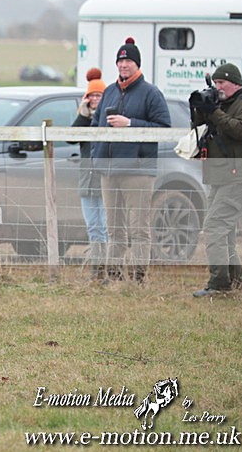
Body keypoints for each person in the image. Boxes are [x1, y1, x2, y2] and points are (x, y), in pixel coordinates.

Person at [91, 37, 171, 283]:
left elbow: (164, 128)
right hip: (108, 170)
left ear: (137, 64)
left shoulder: (151, 93)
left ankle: (138, 277)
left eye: (128, 60)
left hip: (138, 171)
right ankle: (114, 276)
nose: (124, 65)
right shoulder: (109, 91)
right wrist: (97, 153)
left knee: (138, 229)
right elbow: (95, 125)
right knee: (114, 229)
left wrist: (130, 124)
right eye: (121, 60)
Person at [190, 63, 242, 297]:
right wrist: (200, 109)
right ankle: (237, 285)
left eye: (221, 84)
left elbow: (239, 130)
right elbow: (198, 126)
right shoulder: (221, 104)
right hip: (220, 176)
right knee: (224, 231)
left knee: (215, 226)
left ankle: (219, 284)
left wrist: (214, 112)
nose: (218, 88)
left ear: (235, 83)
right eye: (215, 83)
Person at [72, 68, 107, 281]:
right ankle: (96, 266)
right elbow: (71, 137)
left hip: (104, 179)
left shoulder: (108, 118)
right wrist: (82, 115)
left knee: (105, 226)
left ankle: (107, 265)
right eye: (91, 95)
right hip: (87, 180)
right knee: (93, 226)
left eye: (98, 95)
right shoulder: (84, 119)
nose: (94, 99)